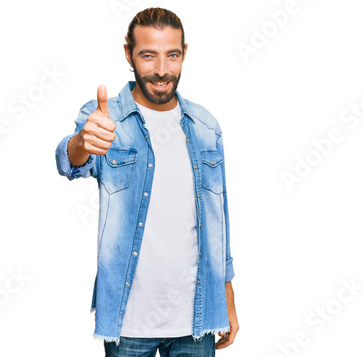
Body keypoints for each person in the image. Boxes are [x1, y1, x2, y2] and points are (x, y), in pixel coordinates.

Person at [55, 7, 238, 356]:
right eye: (148, 55)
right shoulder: (106, 118)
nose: (161, 70)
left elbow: (220, 219)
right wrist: (81, 143)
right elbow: (69, 161)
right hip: (129, 319)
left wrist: (227, 295)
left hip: (197, 318)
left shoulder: (205, 126)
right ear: (129, 54)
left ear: (185, 53)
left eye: (172, 55)